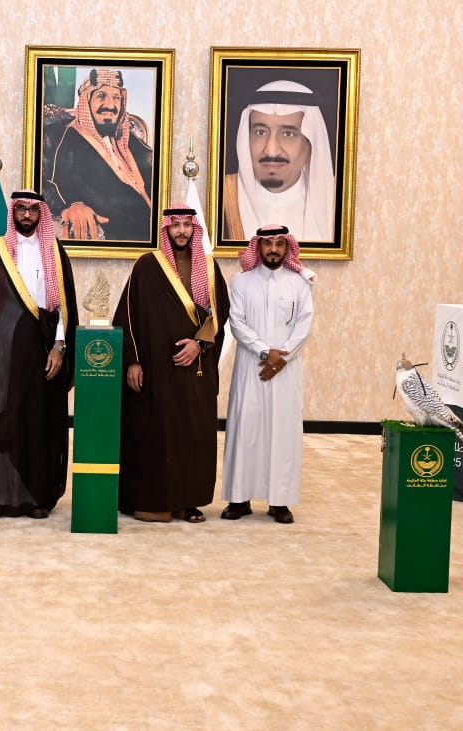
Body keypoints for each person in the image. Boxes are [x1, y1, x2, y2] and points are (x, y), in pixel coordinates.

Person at [112, 205, 229, 523]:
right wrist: (132, 361)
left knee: (192, 433)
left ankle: (187, 502)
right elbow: (128, 315)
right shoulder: (147, 266)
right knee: (155, 433)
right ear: (166, 229)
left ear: (194, 229)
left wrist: (199, 344)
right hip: (155, 371)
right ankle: (150, 499)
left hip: (194, 369)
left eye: (187, 225)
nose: (181, 230)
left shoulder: (208, 266)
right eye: (175, 225)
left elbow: (219, 312)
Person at [0, 191, 78, 519]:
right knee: (0, 419)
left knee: (38, 421)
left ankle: (36, 497)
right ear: (13, 212)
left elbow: (64, 307)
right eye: (21, 209)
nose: (27, 215)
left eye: (32, 210)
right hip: (1, 350)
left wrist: (59, 347)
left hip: (42, 348)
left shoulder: (55, 251)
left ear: (41, 214)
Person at [221, 225, 315, 524]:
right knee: (245, 429)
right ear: (258, 247)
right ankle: (239, 499)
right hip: (251, 366)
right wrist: (265, 352)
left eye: (279, 244)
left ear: (287, 248)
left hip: (286, 368)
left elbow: (304, 325)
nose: (273, 249)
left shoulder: (300, 283)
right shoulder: (241, 282)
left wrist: (282, 356)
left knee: (282, 432)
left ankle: (279, 501)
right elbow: (236, 323)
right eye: (267, 244)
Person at [46, 69, 153, 242]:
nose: (110, 105)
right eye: (101, 96)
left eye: (116, 97)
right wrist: (71, 206)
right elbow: (51, 181)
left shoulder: (131, 141)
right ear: (86, 101)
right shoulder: (69, 138)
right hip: (116, 233)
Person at [223, 80, 336, 243]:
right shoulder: (222, 196)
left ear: (310, 144)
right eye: (260, 132)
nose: (271, 150)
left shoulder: (335, 203)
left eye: (288, 134)